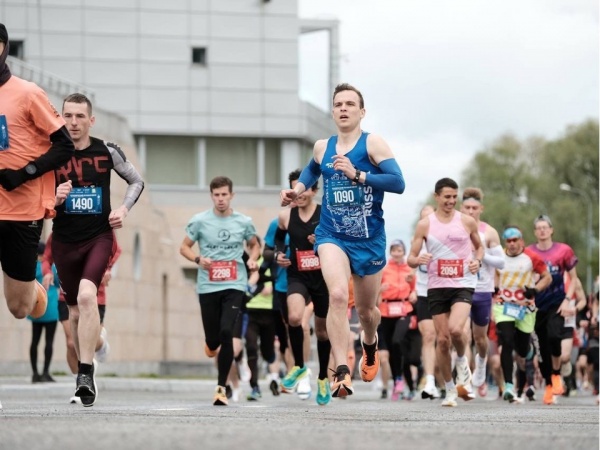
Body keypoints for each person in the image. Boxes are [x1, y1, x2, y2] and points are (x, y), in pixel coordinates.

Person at [280, 83, 406, 398]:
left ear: (361, 112)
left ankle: (370, 342)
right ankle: (340, 370)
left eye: (350, 104)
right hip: (332, 233)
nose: (344, 108)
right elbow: (311, 172)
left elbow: (398, 182)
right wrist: (297, 191)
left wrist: (358, 175)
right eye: (338, 104)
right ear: (333, 111)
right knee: (337, 296)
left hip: (368, 238)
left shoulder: (373, 144)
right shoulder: (323, 146)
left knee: (366, 312)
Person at [51, 93, 144, 407]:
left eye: (80, 116)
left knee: (88, 297)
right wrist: (54, 198)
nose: (73, 122)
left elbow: (136, 181)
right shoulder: (52, 152)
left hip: (98, 238)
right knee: (76, 316)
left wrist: (124, 209)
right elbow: (33, 195)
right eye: (68, 115)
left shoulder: (107, 151)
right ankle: (99, 342)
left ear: (91, 120)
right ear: (61, 117)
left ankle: (85, 374)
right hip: (64, 242)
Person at [0, 24, 76, 410]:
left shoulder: (28, 94)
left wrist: (25, 173)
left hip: (22, 209)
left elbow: (63, 145)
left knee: (19, 307)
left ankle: (36, 290)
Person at [180, 176, 260, 406]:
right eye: (217, 195)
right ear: (211, 196)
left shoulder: (243, 222)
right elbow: (183, 247)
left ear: (231, 195)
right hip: (208, 285)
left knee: (227, 332)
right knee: (213, 339)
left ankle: (220, 387)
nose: (221, 199)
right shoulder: (200, 221)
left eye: (225, 194)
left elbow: (254, 244)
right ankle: (211, 344)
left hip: (234, 284)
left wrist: (253, 260)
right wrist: (197, 258)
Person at [407, 177, 484, 407]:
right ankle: (450, 389)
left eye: (454, 196)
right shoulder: (425, 224)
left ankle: (461, 361)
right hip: (437, 286)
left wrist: (477, 262)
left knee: (455, 331)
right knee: (442, 340)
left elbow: (479, 247)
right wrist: (418, 259)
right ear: (437, 197)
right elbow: (411, 258)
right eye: (447, 197)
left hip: (462, 283)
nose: (451, 201)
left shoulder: (467, 221)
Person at [275, 169, 332, 405]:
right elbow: (278, 240)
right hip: (297, 275)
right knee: (295, 318)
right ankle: (298, 366)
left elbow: (340, 242)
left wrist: (321, 241)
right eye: (294, 188)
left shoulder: (326, 214)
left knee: (321, 331)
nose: (299, 193)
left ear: (314, 190)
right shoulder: (286, 216)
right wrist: (279, 254)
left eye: (304, 188)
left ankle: (322, 378)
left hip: (323, 277)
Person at [526, 215, 580, 404]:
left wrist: (567, 300)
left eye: (545, 227)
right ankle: (549, 385)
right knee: (542, 347)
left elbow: (573, 279)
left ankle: (556, 375)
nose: (542, 230)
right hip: (537, 304)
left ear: (551, 230)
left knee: (554, 337)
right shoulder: (529, 252)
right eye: (538, 228)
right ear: (535, 232)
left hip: (557, 302)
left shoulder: (563, 250)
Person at [494, 226, 551, 402]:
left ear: (521, 241)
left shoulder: (531, 257)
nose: (512, 244)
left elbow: (547, 277)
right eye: (508, 241)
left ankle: (528, 351)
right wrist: (494, 288)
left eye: (515, 240)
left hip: (525, 307)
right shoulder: (499, 257)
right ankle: (509, 386)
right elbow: (493, 274)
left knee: (522, 348)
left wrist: (534, 290)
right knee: (507, 341)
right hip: (503, 305)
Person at [460, 187, 505, 396]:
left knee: (480, 338)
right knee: (461, 333)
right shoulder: (455, 228)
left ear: (481, 209)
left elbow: (502, 262)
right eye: (467, 207)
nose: (470, 211)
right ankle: (464, 377)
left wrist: (481, 255)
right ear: (462, 208)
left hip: (483, 289)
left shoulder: (489, 232)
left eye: (474, 208)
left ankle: (481, 361)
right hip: (459, 288)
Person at [377, 239, 419, 401]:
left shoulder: (409, 269)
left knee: (397, 341)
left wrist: (413, 292)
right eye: (394, 250)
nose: (396, 253)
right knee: (390, 349)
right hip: (386, 311)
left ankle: (403, 381)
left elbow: (415, 287)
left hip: (403, 309)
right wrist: (380, 291)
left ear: (404, 252)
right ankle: (398, 380)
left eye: (399, 250)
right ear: (390, 252)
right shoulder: (384, 269)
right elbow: (375, 291)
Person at [413, 204, 442, 400]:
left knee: (445, 339)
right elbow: (410, 260)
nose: (427, 222)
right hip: (424, 293)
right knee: (429, 336)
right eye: (424, 218)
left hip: (444, 293)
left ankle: (444, 378)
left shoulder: (445, 239)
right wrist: (415, 261)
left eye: (430, 218)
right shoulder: (418, 241)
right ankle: (430, 380)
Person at [28, 241, 60, 383]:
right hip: (51, 308)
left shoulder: (31, 268)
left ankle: (35, 373)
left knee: (34, 341)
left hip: (35, 308)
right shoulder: (51, 268)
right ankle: (46, 372)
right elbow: (59, 283)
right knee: (49, 341)